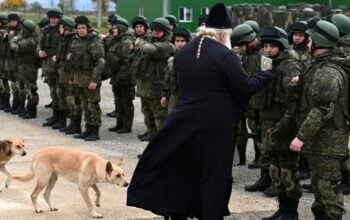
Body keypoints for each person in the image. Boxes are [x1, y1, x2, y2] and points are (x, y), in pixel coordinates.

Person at [127, 3, 275, 219]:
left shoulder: (185, 51)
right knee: (214, 172)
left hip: (183, 119)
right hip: (215, 125)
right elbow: (243, 87)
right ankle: (210, 213)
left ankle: (178, 210)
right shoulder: (225, 54)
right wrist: (266, 75)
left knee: (184, 167)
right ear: (224, 32)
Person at [290, 20, 349, 220]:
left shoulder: (329, 72)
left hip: (329, 142)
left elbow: (322, 108)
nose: (307, 42)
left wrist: (300, 136)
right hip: (320, 142)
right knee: (319, 192)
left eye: (310, 39)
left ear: (318, 42)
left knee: (328, 193)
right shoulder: (319, 66)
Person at [132, 17, 175, 142]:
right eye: (154, 30)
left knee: (160, 120)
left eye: (159, 30)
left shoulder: (168, 45)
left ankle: (162, 150)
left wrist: (139, 42)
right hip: (145, 89)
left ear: (166, 32)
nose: (155, 32)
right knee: (148, 118)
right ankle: (152, 147)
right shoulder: (149, 41)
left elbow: (149, 49)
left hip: (157, 90)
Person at [69, 16, 105, 141]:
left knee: (93, 105)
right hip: (79, 79)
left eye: (83, 28)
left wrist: (94, 80)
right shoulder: (76, 41)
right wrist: (72, 78)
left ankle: (95, 131)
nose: (81, 30)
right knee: (84, 105)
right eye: (79, 28)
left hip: (90, 79)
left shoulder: (94, 42)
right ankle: (88, 129)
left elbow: (100, 62)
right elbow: (73, 62)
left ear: (88, 28)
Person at [231, 23, 262, 167]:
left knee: (256, 128)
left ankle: (259, 157)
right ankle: (241, 157)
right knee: (239, 129)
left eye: (243, 45)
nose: (241, 48)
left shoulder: (262, 55)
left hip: (257, 100)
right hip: (243, 98)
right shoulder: (243, 56)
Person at [106, 17, 135, 134]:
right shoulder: (116, 40)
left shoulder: (126, 42)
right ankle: (119, 124)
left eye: (115, 28)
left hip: (126, 79)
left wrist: (121, 77)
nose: (113, 30)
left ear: (121, 28)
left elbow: (127, 62)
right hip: (116, 76)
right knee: (118, 102)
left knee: (126, 103)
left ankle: (127, 126)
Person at [129, 15, 154, 140]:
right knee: (145, 108)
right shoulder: (137, 40)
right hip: (141, 78)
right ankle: (149, 130)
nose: (138, 29)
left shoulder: (149, 39)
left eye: (140, 27)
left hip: (149, 78)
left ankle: (152, 132)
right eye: (136, 27)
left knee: (151, 108)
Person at [9, 20, 39, 119]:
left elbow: (15, 47)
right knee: (25, 87)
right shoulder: (28, 38)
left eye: (23, 29)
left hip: (29, 67)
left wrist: (12, 38)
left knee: (31, 88)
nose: (21, 31)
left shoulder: (30, 41)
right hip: (24, 65)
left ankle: (32, 110)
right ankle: (27, 109)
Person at [39, 7, 63, 127]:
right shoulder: (46, 30)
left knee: (60, 92)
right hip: (48, 65)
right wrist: (39, 51)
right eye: (51, 18)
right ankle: (55, 116)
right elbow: (39, 44)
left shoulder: (62, 30)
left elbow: (64, 47)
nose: (53, 21)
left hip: (58, 66)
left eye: (55, 18)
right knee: (53, 92)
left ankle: (61, 118)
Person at [161, 27, 191, 114]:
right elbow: (167, 78)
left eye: (182, 41)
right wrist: (164, 95)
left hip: (188, 96)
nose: (179, 44)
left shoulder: (193, 59)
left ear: (187, 42)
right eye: (177, 41)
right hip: (174, 96)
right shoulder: (171, 60)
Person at [0, 13, 10, 110]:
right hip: (2, 58)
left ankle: (5, 102)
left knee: (4, 80)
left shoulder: (5, 31)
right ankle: (3, 100)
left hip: (5, 60)